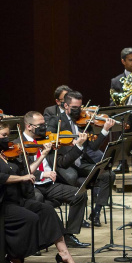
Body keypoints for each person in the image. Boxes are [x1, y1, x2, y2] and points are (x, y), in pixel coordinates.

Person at [0, 121, 81, 263]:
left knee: (47, 210)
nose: (7, 139)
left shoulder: (10, 154)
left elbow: (27, 171)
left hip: (19, 199)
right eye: (3, 135)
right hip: (4, 203)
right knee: (31, 218)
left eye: (8, 135)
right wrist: (22, 178)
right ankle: (14, 256)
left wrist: (42, 155)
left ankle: (64, 253)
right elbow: (2, 177)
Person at [20, 111, 90, 249]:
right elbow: (21, 170)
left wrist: (78, 146)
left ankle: (69, 235)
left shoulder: (47, 140)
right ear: (29, 126)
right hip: (31, 186)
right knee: (38, 200)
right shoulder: (19, 144)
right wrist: (42, 174)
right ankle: (37, 240)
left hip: (49, 185)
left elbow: (63, 163)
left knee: (79, 194)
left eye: (44, 124)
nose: (44, 127)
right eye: (40, 125)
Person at [46, 90, 117, 227]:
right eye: (74, 107)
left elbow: (94, 147)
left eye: (79, 107)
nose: (78, 110)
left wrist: (105, 129)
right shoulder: (56, 120)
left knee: (108, 175)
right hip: (64, 163)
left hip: (80, 163)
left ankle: (96, 212)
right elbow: (50, 138)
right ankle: (78, 218)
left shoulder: (84, 122)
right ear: (65, 106)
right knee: (72, 177)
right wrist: (68, 142)